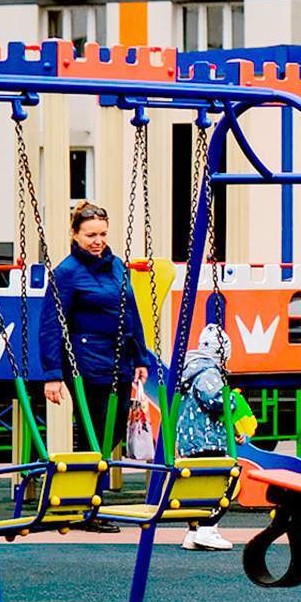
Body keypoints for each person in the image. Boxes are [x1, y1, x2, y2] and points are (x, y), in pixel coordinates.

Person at [40, 202, 155, 534]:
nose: (98, 241)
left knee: (114, 429)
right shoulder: (67, 272)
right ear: (75, 234)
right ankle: (87, 507)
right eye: (90, 235)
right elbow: (51, 324)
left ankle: (78, 498)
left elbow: (131, 312)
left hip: (118, 358)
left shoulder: (117, 266)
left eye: (102, 234)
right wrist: (52, 374)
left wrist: (141, 357)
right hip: (86, 362)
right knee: (95, 431)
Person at [171, 324, 234, 552]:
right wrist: (232, 401)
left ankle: (193, 532)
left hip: (190, 439)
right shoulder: (208, 372)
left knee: (197, 488)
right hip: (206, 438)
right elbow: (214, 399)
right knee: (219, 485)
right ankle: (208, 528)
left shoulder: (189, 371)